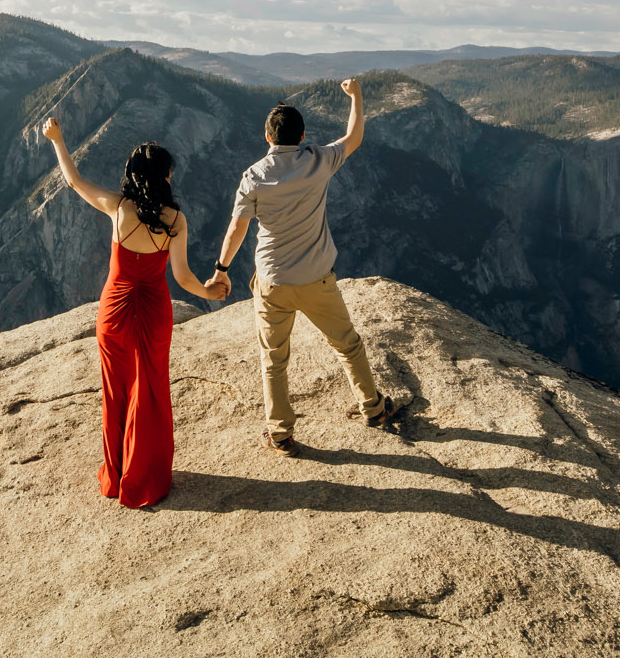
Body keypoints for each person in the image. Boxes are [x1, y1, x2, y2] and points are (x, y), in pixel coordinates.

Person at [40, 118, 229, 509]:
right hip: (154, 310)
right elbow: (183, 277)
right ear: (165, 176)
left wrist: (58, 140)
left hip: (114, 312)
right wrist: (211, 291)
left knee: (117, 391)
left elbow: (74, 181)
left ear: (131, 175)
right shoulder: (175, 220)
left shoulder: (118, 207)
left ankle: (116, 475)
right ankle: (146, 477)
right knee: (152, 392)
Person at [205, 79, 400, 455]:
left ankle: (280, 433)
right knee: (348, 345)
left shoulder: (253, 177)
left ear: (267, 136)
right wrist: (357, 97)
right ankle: (373, 410)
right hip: (316, 279)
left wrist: (221, 269)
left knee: (274, 360)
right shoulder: (318, 160)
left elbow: (237, 228)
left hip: (272, 281)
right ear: (303, 135)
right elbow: (354, 136)